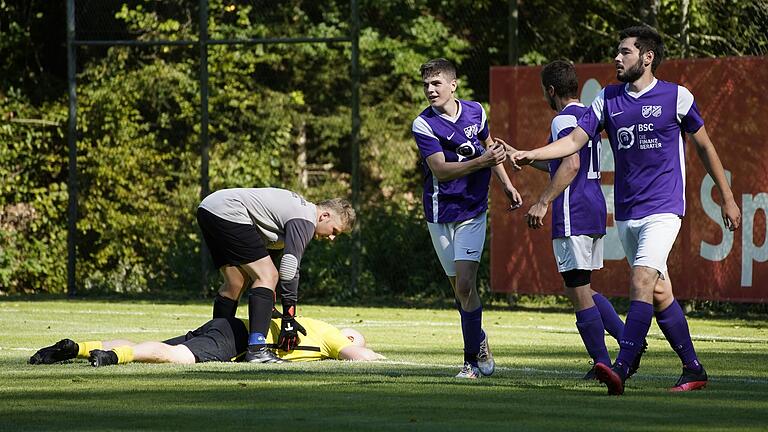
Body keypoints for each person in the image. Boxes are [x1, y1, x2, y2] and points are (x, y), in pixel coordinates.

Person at [511, 26, 741, 395]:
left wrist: (727, 197)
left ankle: (623, 366)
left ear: (647, 57)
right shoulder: (607, 100)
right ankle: (693, 368)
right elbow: (573, 141)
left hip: (664, 208)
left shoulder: (676, 97)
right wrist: (530, 154)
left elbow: (705, 147)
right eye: (617, 52)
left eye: (625, 52)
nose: (617, 58)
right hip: (628, 213)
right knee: (660, 291)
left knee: (641, 281)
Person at [523, 60, 636, 380]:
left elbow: (570, 165)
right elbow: (561, 163)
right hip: (595, 206)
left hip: (573, 210)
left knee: (576, 288)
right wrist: (526, 156)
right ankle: (629, 343)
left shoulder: (562, 120)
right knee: (581, 286)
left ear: (551, 90)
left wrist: (543, 201)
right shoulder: (589, 115)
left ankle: (604, 363)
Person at [412, 58, 523, 379]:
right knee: (460, 291)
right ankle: (480, 338)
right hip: (439, 213)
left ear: (453, 85)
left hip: (472, 210)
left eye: (436, 83)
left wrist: (507, 184)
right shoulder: (423, 124)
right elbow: (441, 171)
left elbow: (491, 148)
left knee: (464, 284)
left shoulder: (476, 111)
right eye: (426, 85)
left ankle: (470, 362)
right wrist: (482, 161)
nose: (430, 90)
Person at [197, 187, 355, 364]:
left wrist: (269, 308)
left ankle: (212, 338)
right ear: (324, 216)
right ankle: (257, 349)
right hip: (229, 211)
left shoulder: (290, 216)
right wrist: (289, 318)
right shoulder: (305, 219)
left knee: (235, 282)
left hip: (209, 208)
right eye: (334, 231)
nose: (332, 238)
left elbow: (264, 262)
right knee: (268, 275)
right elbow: (289, 269)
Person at [28, 315, 385, 366]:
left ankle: (79, 347)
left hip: (228, 324)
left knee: (152, 343)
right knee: (175, 357)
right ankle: (113, 357)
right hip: (238, 338)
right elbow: (357, 355)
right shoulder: (335, 337)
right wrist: (377, 357)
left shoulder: (311, 321)